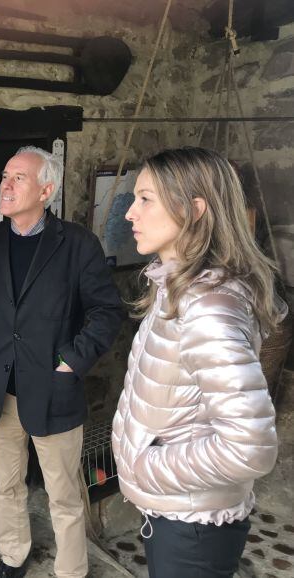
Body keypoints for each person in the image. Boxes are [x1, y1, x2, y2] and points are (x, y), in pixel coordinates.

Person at [111, 147, 285, 577]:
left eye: (145, 199)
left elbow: (250, 448)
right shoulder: (180, 285)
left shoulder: (207, 305)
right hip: (179, 514)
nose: (130, 214)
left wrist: (148, 466)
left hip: (192, 529)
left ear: (194, 210)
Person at [0, 146, 125, 578]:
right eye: (5, 176)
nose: (6, 185)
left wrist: (71, 361)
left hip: (53, 388)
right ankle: (13, 556)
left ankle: (71, 571)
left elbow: (107, 311)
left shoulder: (77, 244)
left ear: (46, 190)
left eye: (19, 178)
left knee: (64, 494)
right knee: (7, 485)